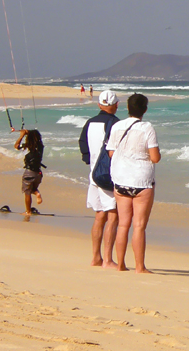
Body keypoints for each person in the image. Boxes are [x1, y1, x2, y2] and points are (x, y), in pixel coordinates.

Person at [107, 93, 160, 273]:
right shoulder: (147, 128)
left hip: (121, 179)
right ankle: (139, 266)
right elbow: (155, 157)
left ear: (127, 108)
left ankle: (120, 264)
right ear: (145, 109)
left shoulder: (117, 126)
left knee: (123, 224)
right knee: (139, 226)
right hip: (141, 180)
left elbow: (111, 153)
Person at [79, 90, 120, 268]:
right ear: (116, 105)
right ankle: (108, 259)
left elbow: (82, 144)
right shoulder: (115, 123)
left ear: (99, 105)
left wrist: (90, 161)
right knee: (112, 215)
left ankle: (96, 257)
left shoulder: (90, 122)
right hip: (107, 175)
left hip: (93, 173)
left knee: (99, 216)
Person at [14, 129, 45, 216]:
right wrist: (30, 133)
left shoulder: (26, 147)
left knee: (27, 192)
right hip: (38, 173)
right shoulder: (40, 147)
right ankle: (37, 193)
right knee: (32, 189)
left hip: (29, 172)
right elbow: (37, 138)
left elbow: (16, 146)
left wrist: (22, 135)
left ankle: (28, 211)